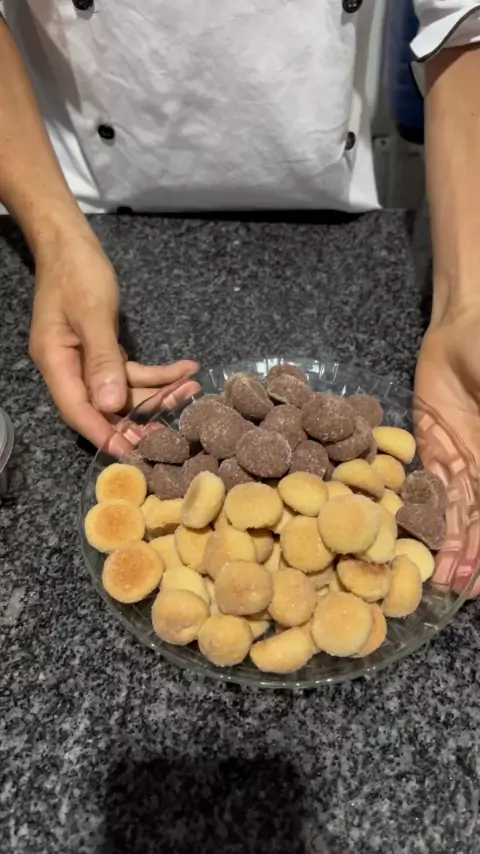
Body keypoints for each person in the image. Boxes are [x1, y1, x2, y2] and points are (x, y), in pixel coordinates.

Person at [1, 0, 480, 466]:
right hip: (83, 187)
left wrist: (466, 306)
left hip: (331, 189)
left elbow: (463, 18)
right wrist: (58, 242)